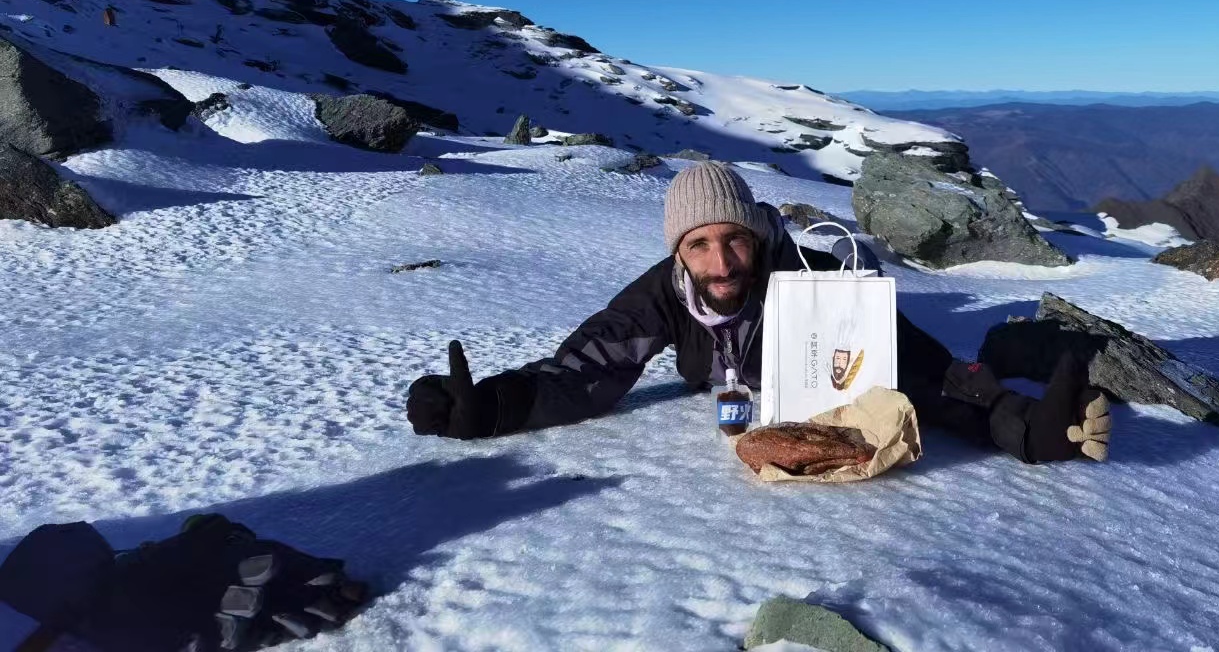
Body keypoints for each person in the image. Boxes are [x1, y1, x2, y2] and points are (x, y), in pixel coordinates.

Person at [406, 162, 1111, 463]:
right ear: (679, 251)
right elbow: (586, 370)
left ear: (758, 237)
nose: (720, 264)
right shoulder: (664, 292)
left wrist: (1014, 422)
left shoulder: (814, 279)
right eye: (699, 245)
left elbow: (915, 366)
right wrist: (489, 407)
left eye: (734, 240)